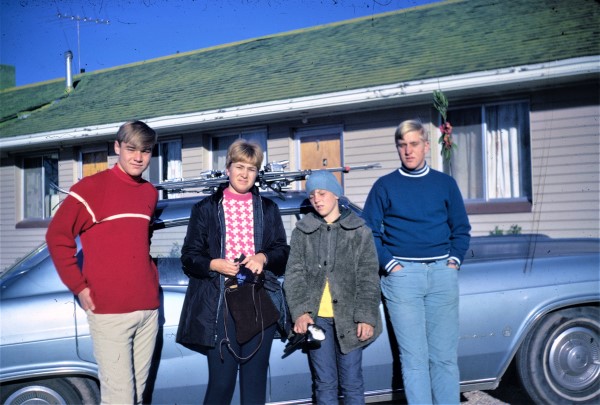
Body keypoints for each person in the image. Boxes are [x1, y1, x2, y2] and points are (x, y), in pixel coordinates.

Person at [46, 120, 160, 404]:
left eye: (145, 151)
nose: (138, 157)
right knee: (119, 398)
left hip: (148, 309)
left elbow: (136, 244)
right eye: (131, 149)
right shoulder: (90, 189)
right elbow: (57, 236)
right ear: (117, 147)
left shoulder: (149, 193)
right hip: (109, 312)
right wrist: (79, 286)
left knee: (138, 395)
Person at [362, 119, 471, 404]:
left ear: (425, 146)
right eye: (402, 145)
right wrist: (390, 265)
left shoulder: (445, 184)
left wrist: (453, 262)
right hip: (403, 279)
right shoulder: (385, 186)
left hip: (441, 275)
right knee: (414, 361)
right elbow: (368, 230)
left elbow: (461, 229)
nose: (408, 151)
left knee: (444, 358)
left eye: (413, 144)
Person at [176, 139, 290, 405]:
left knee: (254, 385)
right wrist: (213, 264)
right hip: (219, 305)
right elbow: (189, 257)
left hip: (258, 301)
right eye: (239, 166)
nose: (244, 174)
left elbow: (282, 252)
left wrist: (263, 256)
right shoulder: (205, 209)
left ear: (257, 173)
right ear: (228, 168)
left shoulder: (268, 209)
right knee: (221, 384)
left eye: (251, 169)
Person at [284, 170, 382, 405]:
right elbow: (293, 275)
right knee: (324, 382)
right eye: (312, 195)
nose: (317, 199)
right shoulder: (302, 231)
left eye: (322, 193)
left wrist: (366, 317)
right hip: (318, 321)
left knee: (352, 382)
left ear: (336, 195)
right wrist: (300, 312)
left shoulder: (359, 231)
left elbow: (368, 276)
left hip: (350, 319)